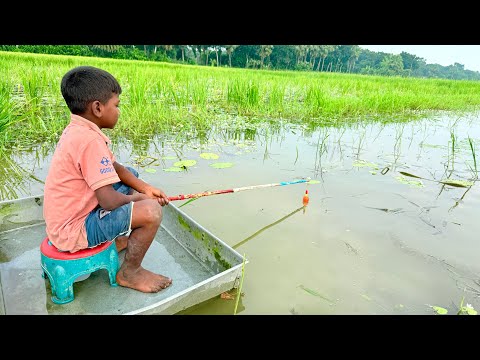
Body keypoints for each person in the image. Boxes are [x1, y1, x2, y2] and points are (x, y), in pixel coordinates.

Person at [43, 65, 172, 293]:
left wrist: (145, 187)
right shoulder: (90, 141)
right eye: (117, 105)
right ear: (98, 108)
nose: (119, 111)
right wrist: (140, 198)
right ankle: (130, 272)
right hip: (74, 230)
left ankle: (118, 239)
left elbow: (114, 167)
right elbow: (108, 201)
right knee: (151, 212)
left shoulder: (80, 130)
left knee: (131, 173)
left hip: (71, 216)